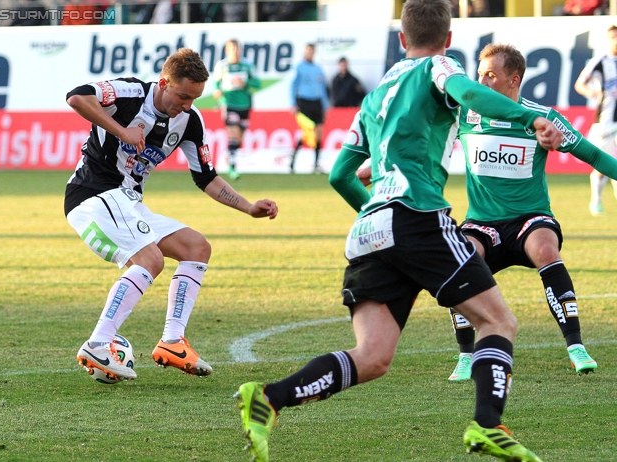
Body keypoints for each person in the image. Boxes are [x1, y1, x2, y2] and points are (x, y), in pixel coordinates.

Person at [234, 1, 563, 461]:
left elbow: (340, 174)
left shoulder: (375, 94)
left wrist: (377, 216)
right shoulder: (439, 66)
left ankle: (270, 398)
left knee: (372, 358)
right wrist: (530, 117)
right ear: (447, 40)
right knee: (498, 320)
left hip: (371, 227)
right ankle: (489, 424)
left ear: (402, 39)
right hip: (416, 215)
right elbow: (468, 95)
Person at [64, 48, 278, 382]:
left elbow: (205, 176)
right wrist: (122, 132)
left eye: (195, 98)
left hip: (128, 201)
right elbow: (77, 98)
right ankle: (99, 343)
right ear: (164, 83)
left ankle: (172, 341)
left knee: (196, 248)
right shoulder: (130, 93)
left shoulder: (190, 121)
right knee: (150, 260)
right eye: (183, 96)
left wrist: (248, 207)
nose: (188, 105)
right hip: (93, 195)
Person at [445, 43, 614, 382]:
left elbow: (594, 156)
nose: (482, 82)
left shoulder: (544, 119)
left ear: (514, 79)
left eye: (491, 75)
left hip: (530, 218)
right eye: (479, 74)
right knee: (458, 255)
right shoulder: (465, 113)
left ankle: (576, 347)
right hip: (482, 222)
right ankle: (465, 355)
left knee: (544, 249)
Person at [575, 25, 617, 216]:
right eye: (613, 37)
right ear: (609, 40)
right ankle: (596, 201)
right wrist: (591, 92)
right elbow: (580, 83)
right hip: (605, 121)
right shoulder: (600, 61)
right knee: (603, 164)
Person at [212, 39, 260, 180]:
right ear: (227, 51)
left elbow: (257, 83)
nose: (235, 51)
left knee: (239, 138)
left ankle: (231, 157)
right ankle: (233, 168)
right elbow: (216, 85)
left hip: (245, 105)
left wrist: (246, 82)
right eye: (232, 49)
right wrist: (218, 93)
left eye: (237, 48)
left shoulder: (247, 65)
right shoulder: (222, 66)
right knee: (232, 136)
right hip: (229, 104)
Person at [289, 43, 329, 174]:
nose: (310, 53)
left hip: (317, 103)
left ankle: (316, 164)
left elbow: (322, 88)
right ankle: (292, 162)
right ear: (304, 52)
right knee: (306, 133)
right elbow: (292, 86)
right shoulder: (299, 67)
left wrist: (325, 106)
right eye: (308, 51)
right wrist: (293, 103)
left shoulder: (318, 69)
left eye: (312, 51)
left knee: (318, 133)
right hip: (304, 102)